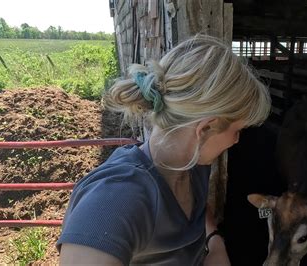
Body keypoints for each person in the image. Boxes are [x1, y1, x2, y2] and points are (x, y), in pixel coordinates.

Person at [56, 34, 271, 265]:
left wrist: (215, 243)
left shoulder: (192, 167)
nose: (237, 140)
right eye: (238, 130)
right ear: (206, 128)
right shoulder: (117, 198)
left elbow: (198, 211)